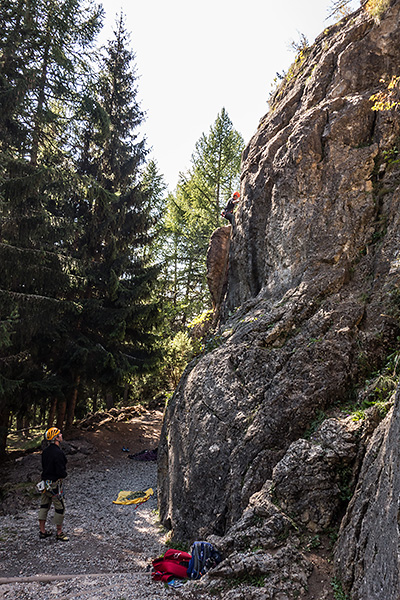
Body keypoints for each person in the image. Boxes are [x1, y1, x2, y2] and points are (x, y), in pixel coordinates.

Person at [38, 427, 69, 541]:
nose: (61, 435)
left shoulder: (45, 452)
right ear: (56, 438)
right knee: (60, 508)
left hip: (45, 483)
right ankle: (59, 532)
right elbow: (61, 471)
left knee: (44, 506)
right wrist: (63, 474)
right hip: (55, 485)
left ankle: (42, 531)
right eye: (59, 434)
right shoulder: (58, 453)